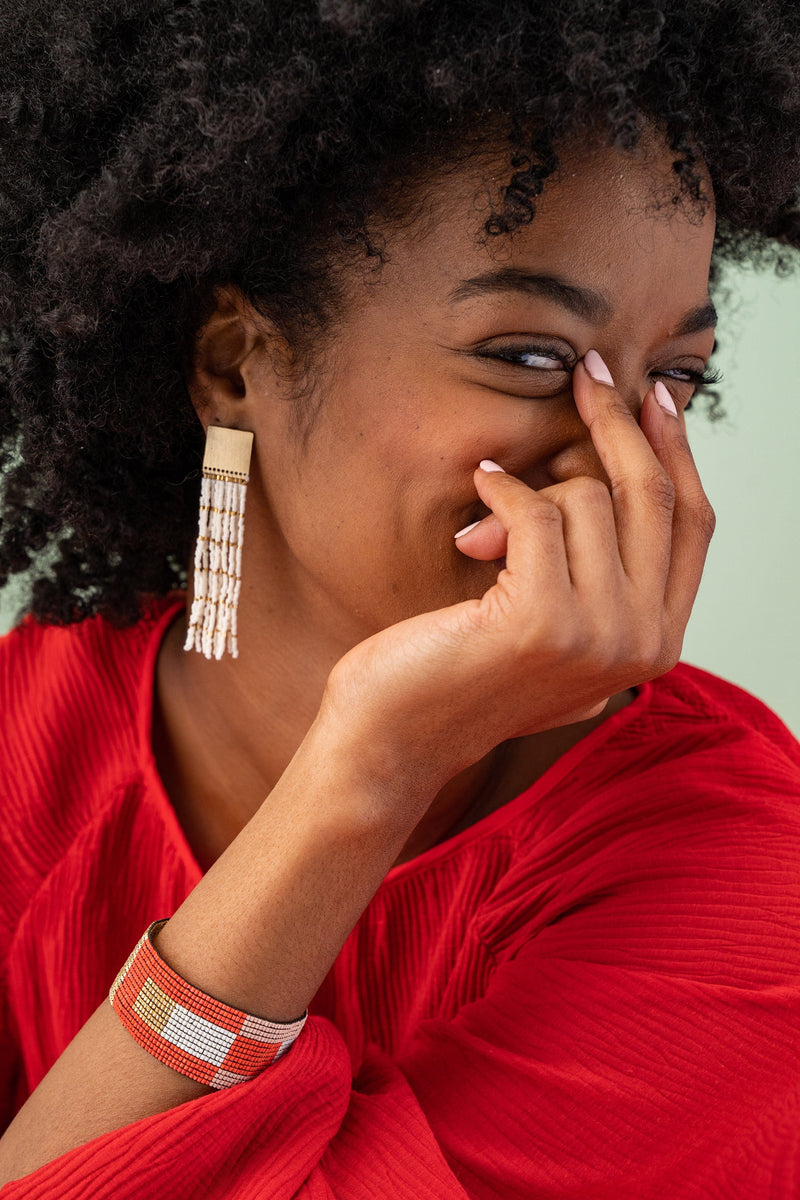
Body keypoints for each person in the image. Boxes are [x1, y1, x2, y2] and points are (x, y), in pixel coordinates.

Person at [1, 1, 800, 1195]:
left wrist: (367, 774)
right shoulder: (24, 743)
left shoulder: (734, 870)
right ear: (234, 367)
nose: (616, 460)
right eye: (530, 356)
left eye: (671, 378)